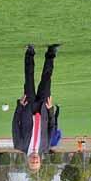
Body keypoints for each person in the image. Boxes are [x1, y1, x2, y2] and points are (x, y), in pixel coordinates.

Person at [12, 43, 60, 171]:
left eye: (32, 162)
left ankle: (30, 52)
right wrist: (50, 110)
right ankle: (51, 53)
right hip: (43, 109)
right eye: (36, 162)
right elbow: (52, 126)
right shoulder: (45, 146)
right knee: (47, 80)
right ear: (40, 161)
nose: (34, 160)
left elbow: (15, 124)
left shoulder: (19, 145)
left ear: (28, 161)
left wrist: (20, 106)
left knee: (29, 79)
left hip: (28, 108)